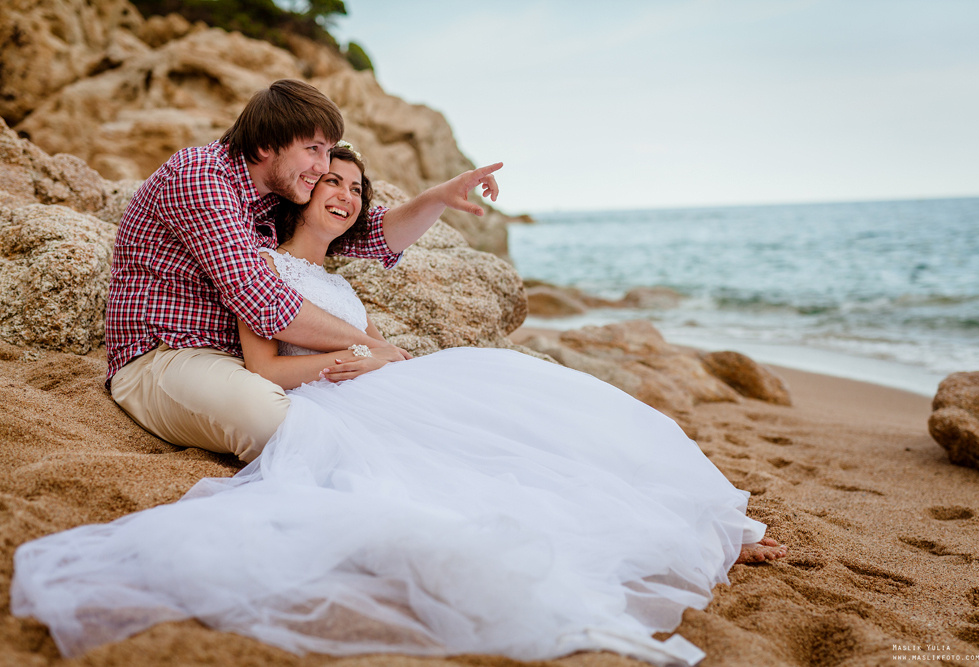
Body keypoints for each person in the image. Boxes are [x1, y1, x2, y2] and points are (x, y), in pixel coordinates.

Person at [13, 143, 787, 666]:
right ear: (298, 190)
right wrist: (356, 356)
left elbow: (386, 267)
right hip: (340, 401)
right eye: (330, 180)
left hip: (390, 385)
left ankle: (700, 527)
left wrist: (440, 206)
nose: (344, 194)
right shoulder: (257, 265)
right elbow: (265, 368)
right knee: (459, 472)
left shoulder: (342, 276)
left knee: (535, 413)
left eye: (355, 189)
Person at [104, 78, 501, 462]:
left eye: (327, 151)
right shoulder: (201, 178)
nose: (321, 164)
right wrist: (367, 345)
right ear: (264, 145)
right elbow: (261, 301)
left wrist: (438, 197)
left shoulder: (275, 194)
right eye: (313, 149)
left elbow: (370, 233)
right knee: (275, 424)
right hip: (164, 356)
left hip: (240, 361)